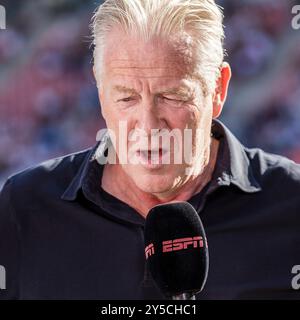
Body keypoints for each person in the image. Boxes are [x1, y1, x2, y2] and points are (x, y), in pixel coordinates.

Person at [0, 0, 300, 300]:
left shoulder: (291, 203)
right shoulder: (25, 209)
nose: (148, 125)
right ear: (100, 91)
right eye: (127, 97)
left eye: (172, 96)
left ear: (218, 89)